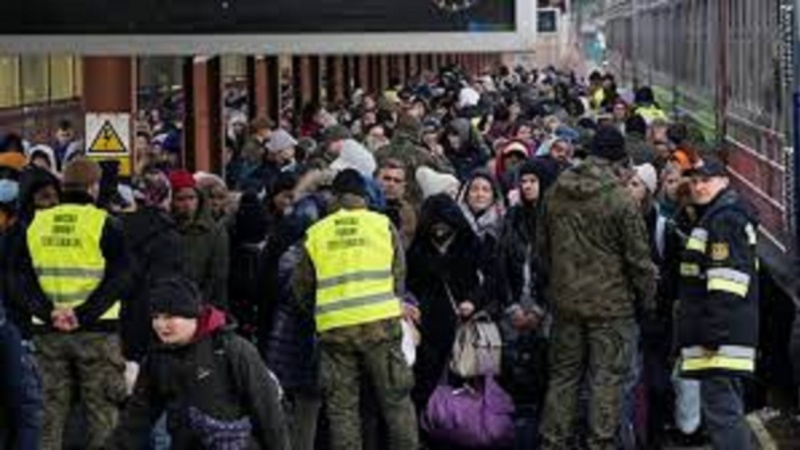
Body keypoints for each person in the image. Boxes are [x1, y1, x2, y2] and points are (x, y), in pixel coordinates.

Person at [539, 126, 657, 449]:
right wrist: (648, 302)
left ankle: (553, 443)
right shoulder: (620, 200)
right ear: (619, 161)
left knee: (563, 378)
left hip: (565, 306)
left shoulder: (555, 192)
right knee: (607, 381)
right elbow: (639, 261)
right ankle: (600, 444)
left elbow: (542, 250)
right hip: (611, 310)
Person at [292, 169, 418, 450]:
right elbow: (398, 275)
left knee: (342, 410)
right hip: (380, 327)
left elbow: (301, 287)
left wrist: (320, 310)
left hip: (335, 330)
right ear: (363, 196)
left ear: (334, 197)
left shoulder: (316, 233)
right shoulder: (382, 225)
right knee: (396, 402)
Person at [20, 158, 129, 450]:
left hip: (48, 332)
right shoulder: (105, 223)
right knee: (103, 416)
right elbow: (121, 278)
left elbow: (20, 279)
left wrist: (47, 311)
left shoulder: (36, 224)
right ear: (93, 187)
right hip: (97, 331)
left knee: (48, 416)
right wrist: (82, 314)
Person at [106, 277, 291, 450]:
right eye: (156, 317)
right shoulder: (158, 358)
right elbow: (136, 419)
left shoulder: (233, 350)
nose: (161, 325)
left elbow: (269, 414)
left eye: (170, 317)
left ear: (192, 314)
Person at [676, 157, 759, 450]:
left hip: (720, 341)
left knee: (723, 415)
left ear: (724, 181)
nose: (698, 187)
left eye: (705, 180)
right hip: (721, 336)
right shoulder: (719, 214)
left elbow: (727, 282)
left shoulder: (723, 219)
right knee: (723, 413)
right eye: (694, 181)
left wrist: (712, 333)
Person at [497, 159, 557, 449]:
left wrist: (540, 309)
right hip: (514, 312)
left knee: (546, 381)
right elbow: (499, 265)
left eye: (533, 180)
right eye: (524, 180)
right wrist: (512, 308)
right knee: (515, 382)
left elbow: (561, 270)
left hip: (547, 315)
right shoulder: (512, 217)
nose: (527, 186)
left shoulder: (556, 221)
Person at [169, 170, 230, 310]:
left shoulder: (214, 231)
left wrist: (202, 304)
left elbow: (217, 276)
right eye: (181, 199)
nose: (187, 204)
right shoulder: (164, 229)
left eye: (191, 198)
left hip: (203, 305)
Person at [375, 158, 418, 247]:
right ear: (376, 180)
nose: (391, 184)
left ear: (403, 187)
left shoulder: (409, 214)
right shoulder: (364, 208)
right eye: (387, 179)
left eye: (397, 181)